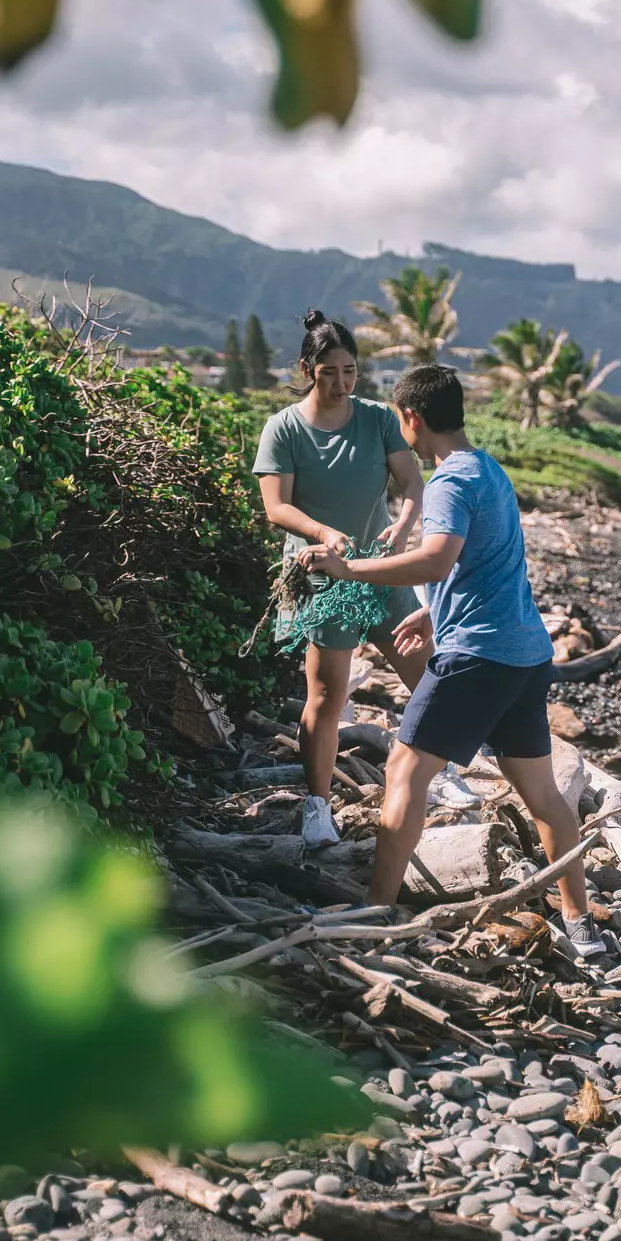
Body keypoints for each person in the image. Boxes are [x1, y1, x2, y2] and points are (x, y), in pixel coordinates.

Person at [296, 364, 605, 955]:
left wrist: (348, 567)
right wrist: (435, 612)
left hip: (478, 659)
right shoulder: (488, 468)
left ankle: (376, 912)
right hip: (525, 656)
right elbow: (486, 562)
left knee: (404, 773)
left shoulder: (447, 483)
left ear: (411, 418)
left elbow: (437, 559)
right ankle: (579, 921)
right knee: (540, 792)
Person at [253, 310, 428, 849]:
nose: (340, 382)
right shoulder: (284, 427)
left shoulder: (377, 419)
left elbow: (412, 480)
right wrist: (322, 531)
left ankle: (438, 775)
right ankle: (317, 804)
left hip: (382, 567)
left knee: (428, 676)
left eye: (349, 370)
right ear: (308, 369)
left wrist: (403, 525)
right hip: (323, 576)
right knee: (326, 697)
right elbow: (276, 507)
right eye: (329, 371)